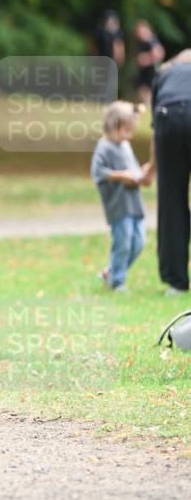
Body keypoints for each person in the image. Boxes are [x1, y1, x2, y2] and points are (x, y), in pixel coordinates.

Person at [142, 50, 191, 295]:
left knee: (172, 200)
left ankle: (176, 282)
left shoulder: (164, 74)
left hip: (168, 118)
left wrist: (151, 168)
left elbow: (155, 131)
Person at [90, 101, 152, 291]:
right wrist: (121, 176)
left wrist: (141, 173)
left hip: (134, 204)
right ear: (113, 127)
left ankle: (111, 271)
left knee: (139, 242)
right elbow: (97, 172)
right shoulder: (104, 147)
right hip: (118, 206)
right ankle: (118, 281)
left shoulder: (124, 145)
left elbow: (131, 168)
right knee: (123, 243)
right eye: (126, 131)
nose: (129, 136)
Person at [134, 19, 165, 107]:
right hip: (145, 71)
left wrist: (146, 59)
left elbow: (159, 53)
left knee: (146, 92)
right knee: (142, 92)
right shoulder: (142, 41)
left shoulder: (151, 40)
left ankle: (148, 107)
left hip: (151, 71)